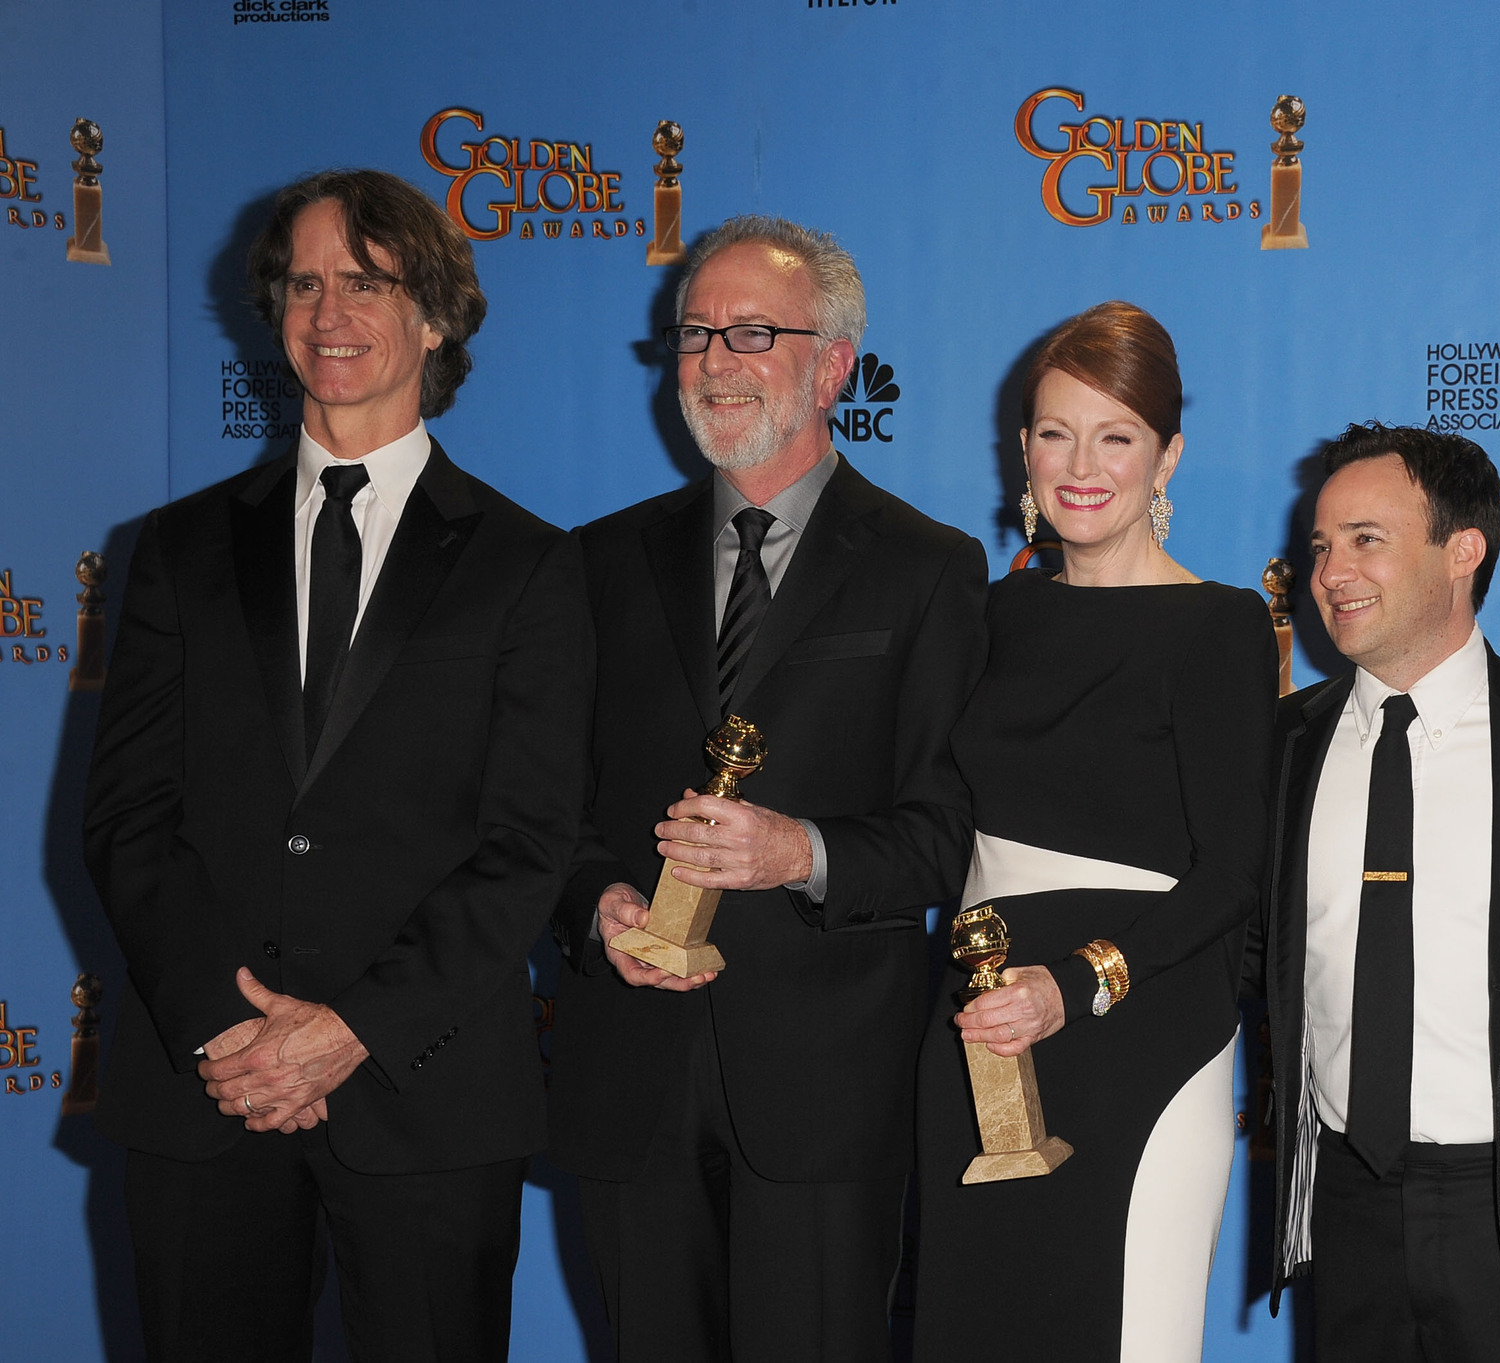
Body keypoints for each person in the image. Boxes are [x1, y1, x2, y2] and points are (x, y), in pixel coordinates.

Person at [82, 168, 592, 1362]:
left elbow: (527, 842)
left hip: (427, 1092)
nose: (329, 314)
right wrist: (228, 1030)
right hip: (203, 1090)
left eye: (367, 282)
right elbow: (126, 817)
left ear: (435, 317)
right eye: (305, 284)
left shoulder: (529, 564)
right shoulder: (172, 550)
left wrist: (349, 1028)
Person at [545, 215, 988, 1363]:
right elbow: (546, 812)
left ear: (832, 363)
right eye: (693, 334)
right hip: (628, 1073)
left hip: (827, 1092)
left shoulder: (928, 567)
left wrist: (803, 852)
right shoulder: (594, 562)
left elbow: (945, 834)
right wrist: (594, 907)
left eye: (751, 331)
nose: (713, 362)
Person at [913, 301, 1276, 1363]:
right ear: (1020, 448)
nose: (1080, 464)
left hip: (1139, 1037)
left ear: (1165, 456)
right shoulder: (989, 616)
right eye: (1054, 431)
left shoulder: (1218, 625)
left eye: (1114, 435)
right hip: (979, 1036)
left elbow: (1230, 875)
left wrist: (1070, 985)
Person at [1246, 423, 1500, 1361]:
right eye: (1321, 546)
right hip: (1345, 1202)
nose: (1331, 572)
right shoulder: (1279, 745)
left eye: (1366, 538)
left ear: (1464, 550)